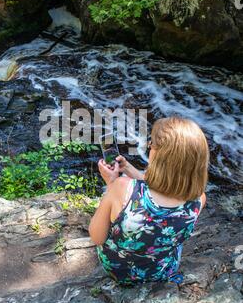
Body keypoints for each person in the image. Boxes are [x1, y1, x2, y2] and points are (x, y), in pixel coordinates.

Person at [88, 117, 209, 285]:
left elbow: (97, 237)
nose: (149, 147)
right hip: (162, 271)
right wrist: (128, 169)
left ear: (159, 156)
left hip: (119, 271)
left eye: (151, 144)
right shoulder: (198, 199)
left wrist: (112, 186)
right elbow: (162, 190)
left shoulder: (121, 188)